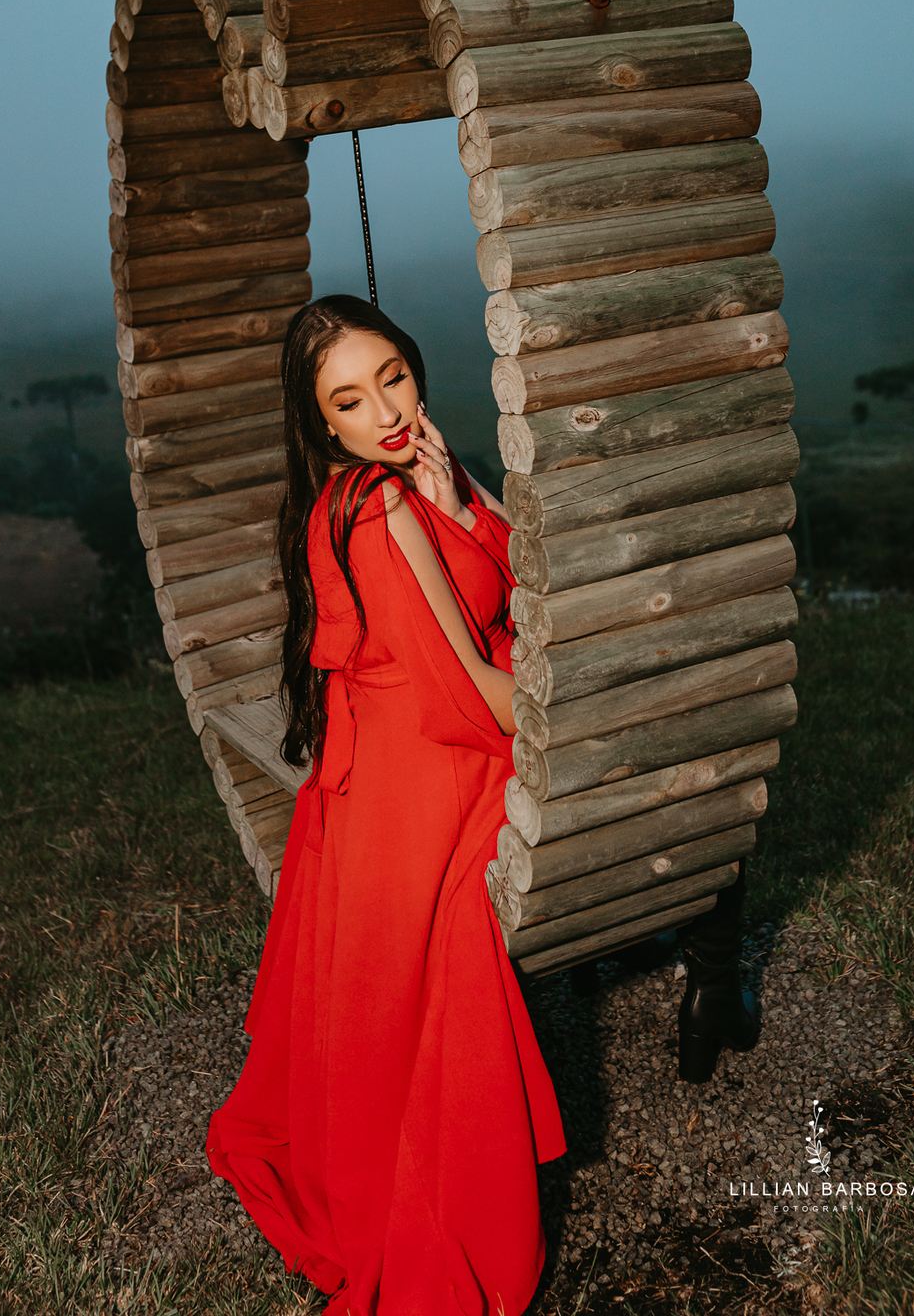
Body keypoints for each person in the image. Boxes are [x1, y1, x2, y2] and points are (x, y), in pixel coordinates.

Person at [206, 294, 566, 1315]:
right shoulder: (375, 507)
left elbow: (504, 584)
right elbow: (470, 685)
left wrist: (460, 501)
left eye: (393, 378)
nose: (386, 411)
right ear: (324, 423)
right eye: (352, 401)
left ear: (414, 367)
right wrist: (573, 698)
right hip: (427, 757)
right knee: (414, 992)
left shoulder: (425, 477)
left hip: (415, 740)